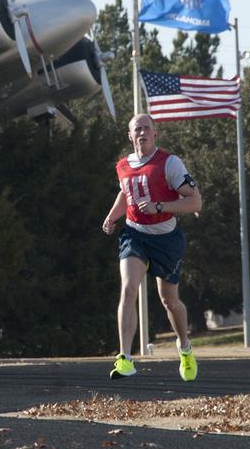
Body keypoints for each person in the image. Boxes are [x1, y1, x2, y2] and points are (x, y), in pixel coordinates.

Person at [102, 113, 202, 382]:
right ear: (130, 135)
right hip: (134, 234)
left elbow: (195, 202)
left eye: (147, 128)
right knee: (128, 287)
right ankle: (125, 359)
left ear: (155, 133)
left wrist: (161, 206)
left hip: (166, 238)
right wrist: (112, 217)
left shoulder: (169, 163)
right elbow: (126, 192)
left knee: (169, 300)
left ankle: (185, 348)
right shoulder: (122, 165)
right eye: (137, 129)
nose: (142, 133)